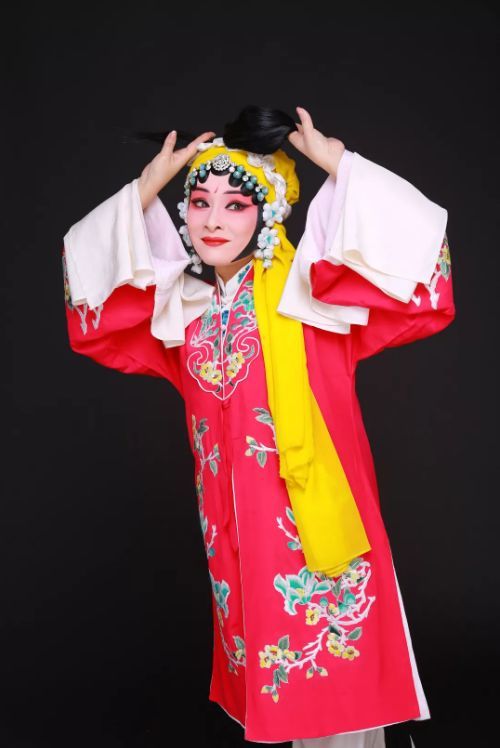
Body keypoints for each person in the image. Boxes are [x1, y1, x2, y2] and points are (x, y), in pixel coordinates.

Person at [61, 105, 455, 747]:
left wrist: (339, 165)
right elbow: (92, 310)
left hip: (312, 523)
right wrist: (145, 189)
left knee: (339, 692)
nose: (213, 220)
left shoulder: (312, 295)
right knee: (275, 688)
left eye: (236, 205)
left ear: (267, 213)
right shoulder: (185, 310)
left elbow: (423, 273)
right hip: (233, 537)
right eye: (200, 203)